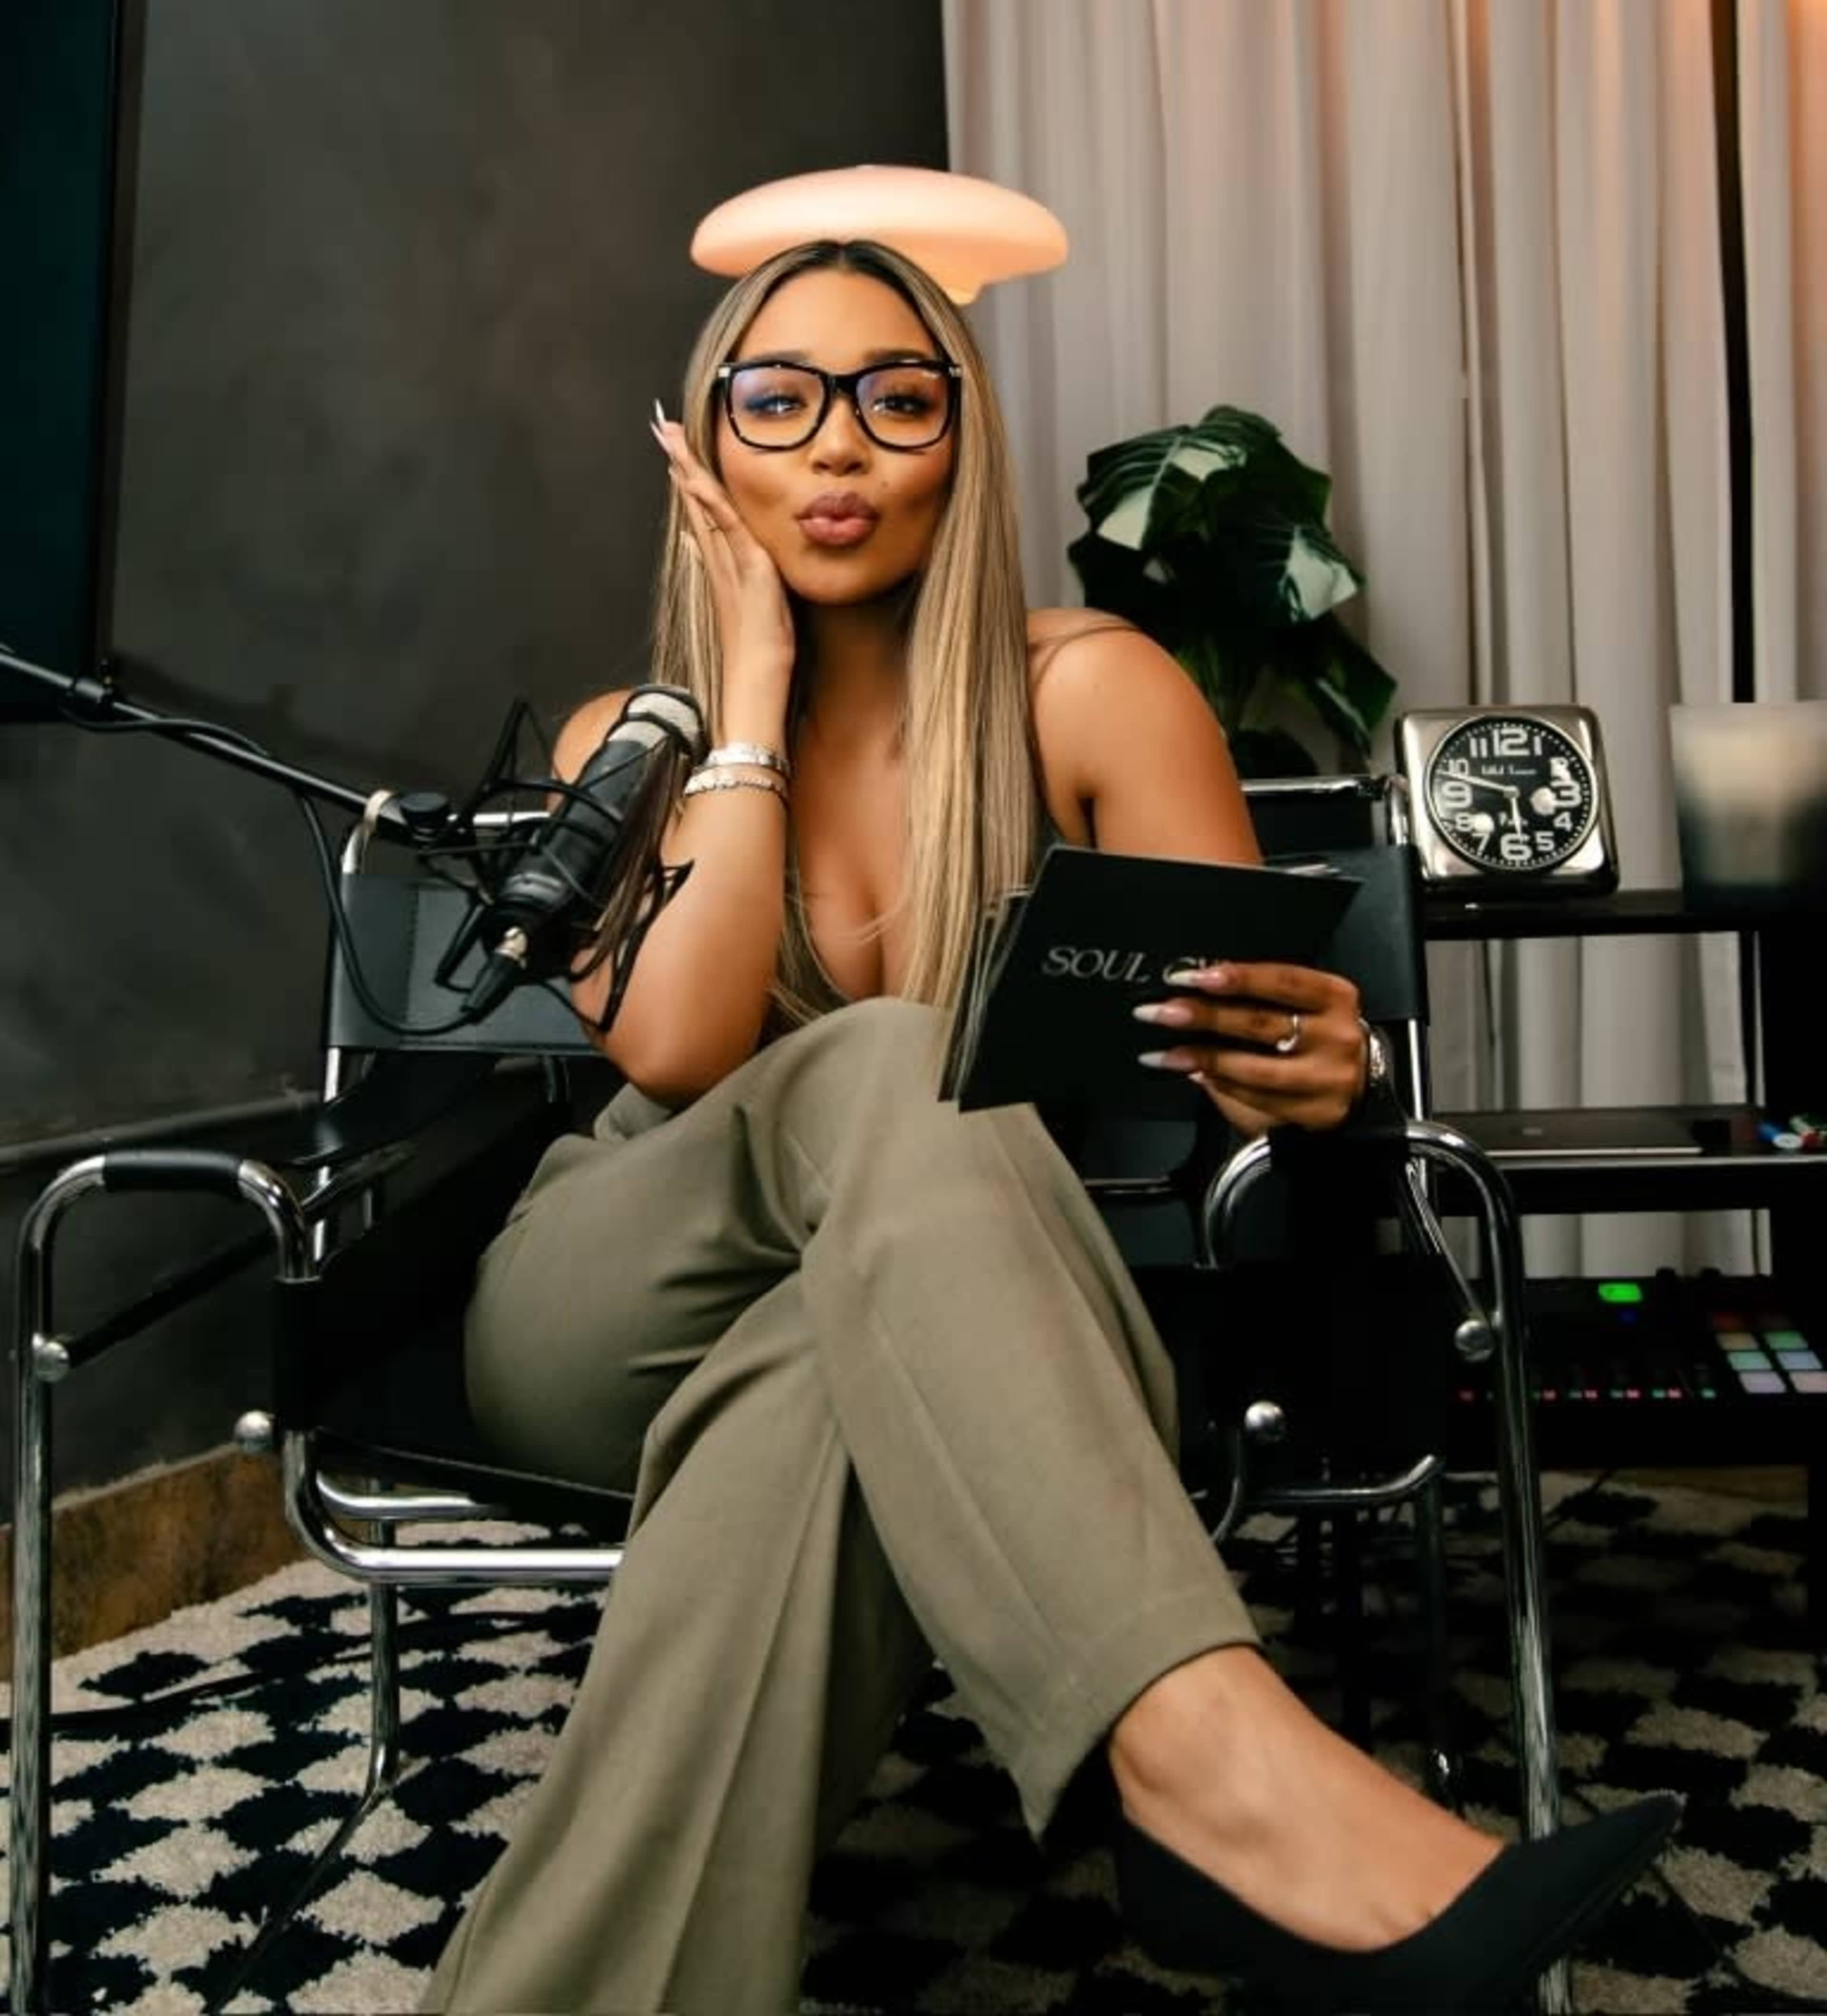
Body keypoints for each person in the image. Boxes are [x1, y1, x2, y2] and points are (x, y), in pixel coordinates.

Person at [424, 236, 1675, 2016]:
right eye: (778, 403)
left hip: (970, 1317)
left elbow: (1265, 1046)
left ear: (965, 441)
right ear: (707, 451)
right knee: (879, 1061)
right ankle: (1213, 1765)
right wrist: (748, 697)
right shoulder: (627, 741)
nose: (838, 447)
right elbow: (691, 1047)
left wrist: (1326, 1075)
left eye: (896, 398)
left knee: (825, 1392)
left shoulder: (1087, 691)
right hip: (610, 1295)